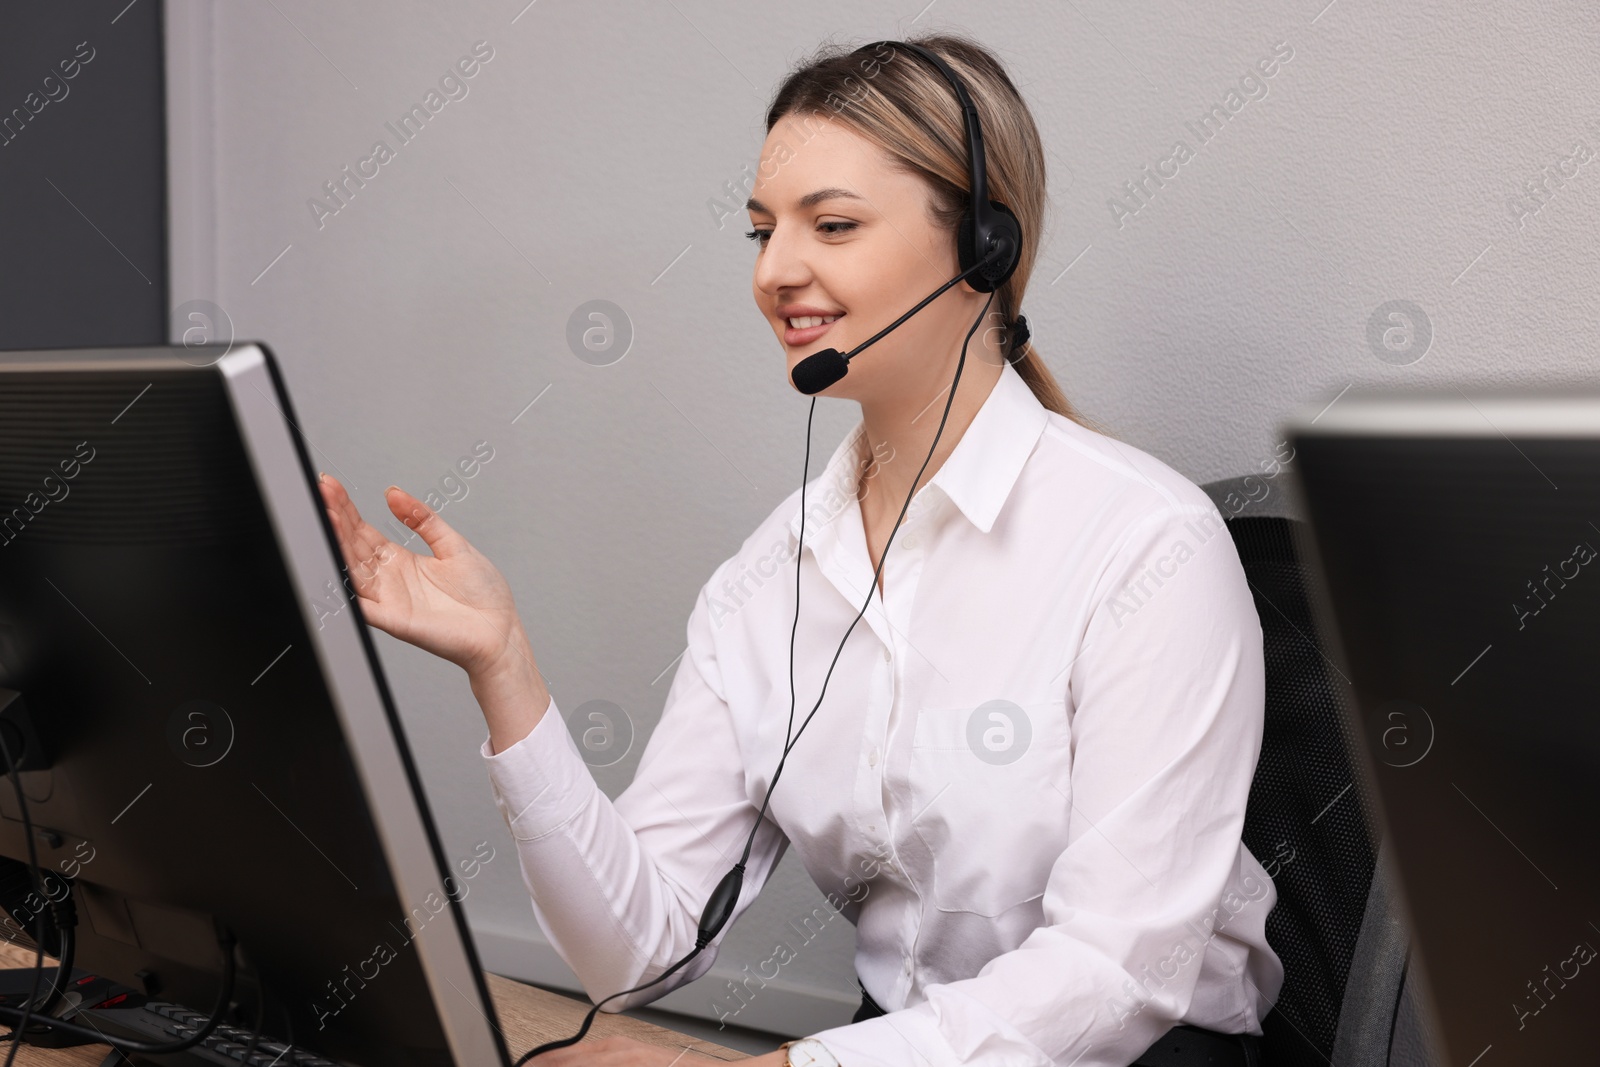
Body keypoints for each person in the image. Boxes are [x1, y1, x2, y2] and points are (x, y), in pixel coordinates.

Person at [317, 32, 1284, 1067]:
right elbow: (637, 953)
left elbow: (1116, 970)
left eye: (831, 224)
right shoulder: (771, 575)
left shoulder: (1144, 543)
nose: (776, 270)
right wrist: (503, 670)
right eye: (760, 231)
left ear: (983, 248)